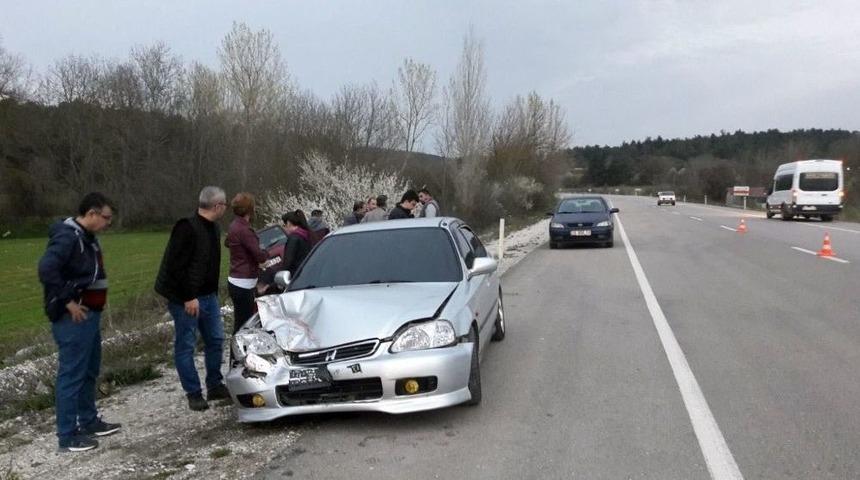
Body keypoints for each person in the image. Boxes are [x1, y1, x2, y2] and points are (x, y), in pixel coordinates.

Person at [38, 192, 122, 452]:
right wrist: (68, 302)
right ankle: (67, 435)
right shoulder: (68, 236)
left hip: (90, 316)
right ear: (92, 214)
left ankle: (88, 421)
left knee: (89, 370)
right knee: (71, 374)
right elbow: (46, 269)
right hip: (73, 318)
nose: (108, 223)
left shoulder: (87, 237)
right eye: (106, 217)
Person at [155, 186, 230, 411]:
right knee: (186, 345)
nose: (225, 208)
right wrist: (188, 297)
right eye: (224, 204)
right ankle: (193, 392)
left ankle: (215, 384)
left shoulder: (214, 229)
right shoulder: (186, 228)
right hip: (185, 299)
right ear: (217, 206)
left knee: (216, 340)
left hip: (208, 296)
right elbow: (175, 266)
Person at [225, 193, 268, 334]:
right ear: (250, 210)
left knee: (240, 323)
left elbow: (228, 243)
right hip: (244, 283)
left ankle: (235, 355)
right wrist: (266, 253)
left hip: (236, 279)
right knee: (243, 326)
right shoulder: (245, 230)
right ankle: (236, 355)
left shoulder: (234, 226)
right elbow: (260, 255)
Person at [258, 211, 312, 293]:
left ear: (289, 223)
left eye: (284, 225)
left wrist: (275, 283)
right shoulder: (305, 235)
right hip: (305, 273)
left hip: (295, 278)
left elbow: (288, 263)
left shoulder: (293, 239)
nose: (284, 228)